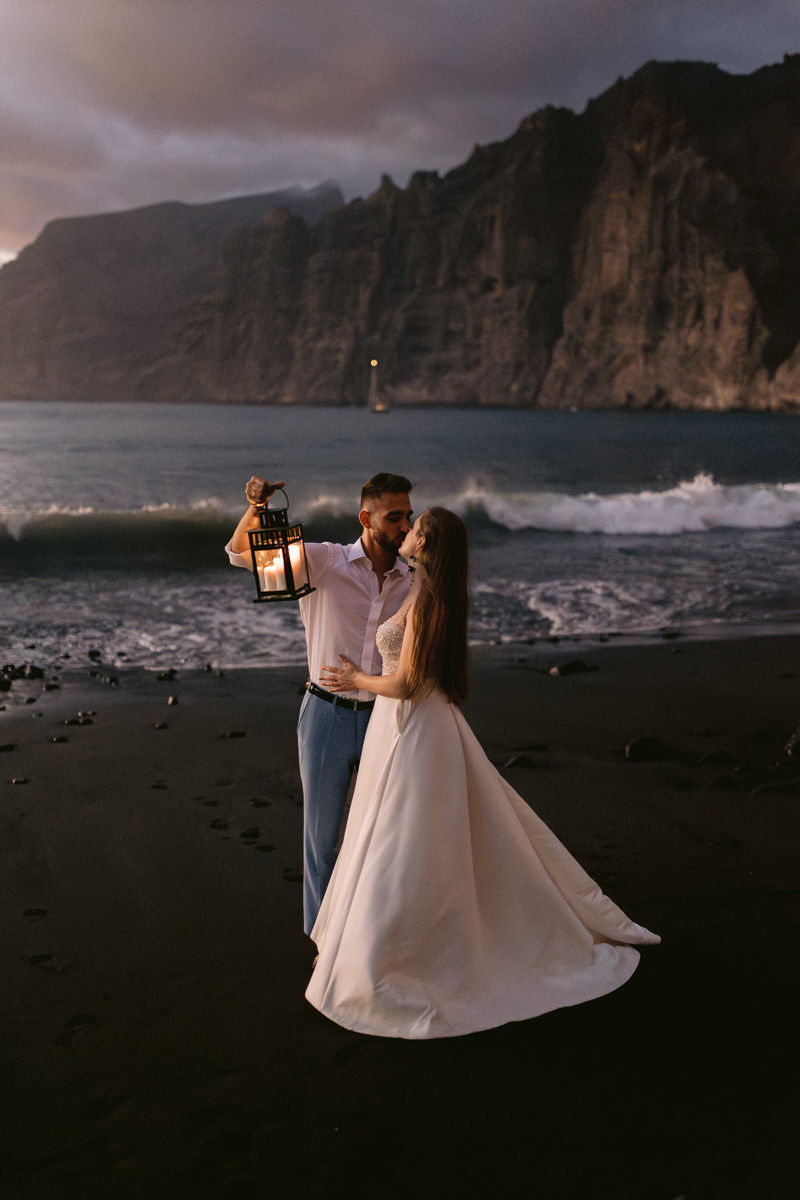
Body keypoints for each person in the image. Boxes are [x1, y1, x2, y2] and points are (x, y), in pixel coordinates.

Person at [306, 507, 660, 1039]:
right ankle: (386, 942)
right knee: (401, 837)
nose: (405, 532)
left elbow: (404, 684)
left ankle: (402, 952)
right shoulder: (428, 596)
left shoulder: (428, 604)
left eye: (414, 527)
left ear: (427, 544)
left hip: (412, 727)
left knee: (404, 841)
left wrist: (356, 676)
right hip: (407, 727)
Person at [226, 472, 414, 934]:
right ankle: (321, 939)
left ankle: (365, 936)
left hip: (384, 718)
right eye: (394, 517)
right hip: (326, 716)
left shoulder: (412, 580)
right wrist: (256, 508)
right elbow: (242, 555)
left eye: (408, 516)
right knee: (322, 837)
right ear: (366, 518)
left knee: (379, 835)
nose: (405, 527)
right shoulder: (323, 561)